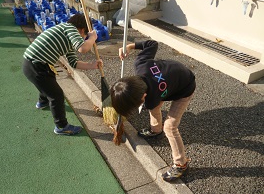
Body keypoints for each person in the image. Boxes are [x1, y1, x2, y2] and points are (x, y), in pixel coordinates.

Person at [110, 40, 196, 181]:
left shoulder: (151, 99)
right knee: (154, 108)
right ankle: (156, 130)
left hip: (185, 87)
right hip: (171, 77)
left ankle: (181, 164)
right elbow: (152, 44)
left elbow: (153, 43)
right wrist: (131, 46)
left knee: (170, 127)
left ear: (143, 97)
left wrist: (129, 46)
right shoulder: (140, 64)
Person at [22, 14, 101, 136]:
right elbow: (82, 48)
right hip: (37, 65)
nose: (83, 38)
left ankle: (43, 102)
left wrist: (92, 65)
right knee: (57, 95)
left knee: (48, 83)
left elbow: (74, 63)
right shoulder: (70, 28)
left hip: (34, 65)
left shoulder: (67, 37)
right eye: (84, 35)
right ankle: (61, 126)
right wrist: (92, 38)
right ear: (81, 29)